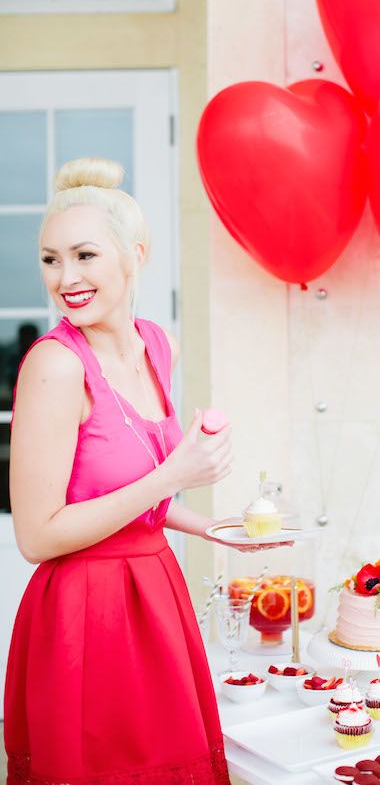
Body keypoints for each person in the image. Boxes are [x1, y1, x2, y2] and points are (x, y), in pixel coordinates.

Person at [3, 157, 282, 784]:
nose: (65, 278)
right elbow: (37, 537)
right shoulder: (55, 367)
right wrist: (172, 474)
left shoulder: (158, 346)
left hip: (155, 595)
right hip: (83, 614)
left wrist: (210, 527)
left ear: (136, 254)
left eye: (85, 256)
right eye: (51, 259)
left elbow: (128, 494)